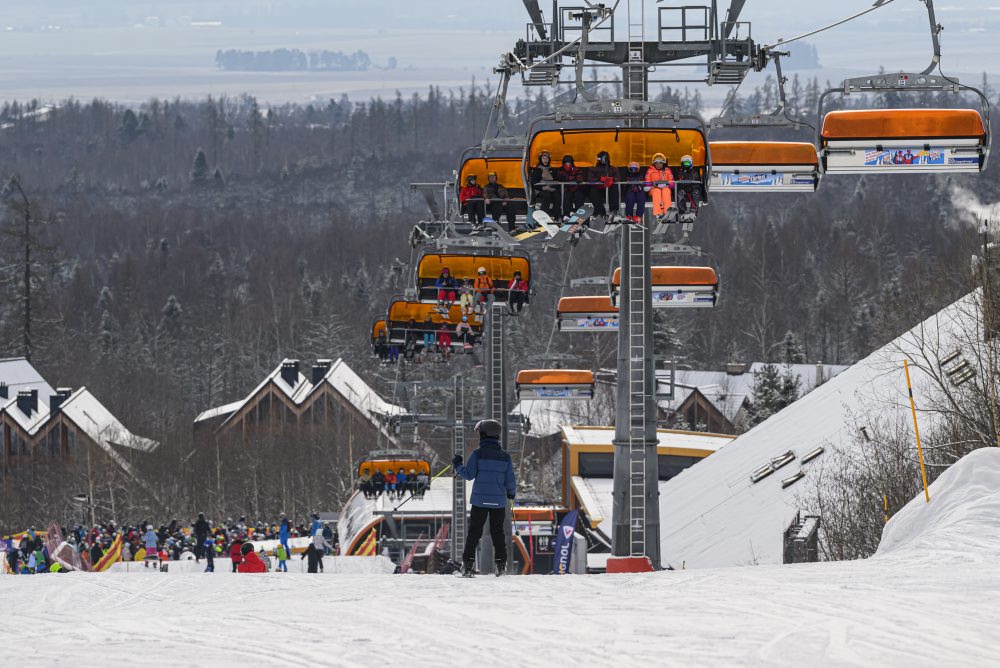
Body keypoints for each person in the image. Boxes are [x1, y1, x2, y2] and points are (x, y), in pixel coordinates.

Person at [453, 419, 517, 577]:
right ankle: (501, 567)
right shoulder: (505, 457)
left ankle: (467, 566)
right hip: (498, 502)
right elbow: (510, 480)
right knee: (498, 533)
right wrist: (511, 494)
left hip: (480, 501)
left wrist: (457, 464)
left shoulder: (477, 454)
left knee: (474, 532)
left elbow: (468, 475)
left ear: (483, 435)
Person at [588, 150, 619, 219]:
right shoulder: (593, 169)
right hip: (598, 189)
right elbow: (590, 179)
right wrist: (600, 179)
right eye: (603, 158)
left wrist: (613, 179)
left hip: (609, 188)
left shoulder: (613, 169)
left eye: (606, 158)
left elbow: (618, 178)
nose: (604, 160)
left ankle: (613, 210)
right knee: (593, 190)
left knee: (614, 187)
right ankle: (600, 212)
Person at [644, 153, 675, 222]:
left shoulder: (667, 171)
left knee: (666, 191)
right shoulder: (650, 171)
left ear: (663, 163)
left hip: (665, 188)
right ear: (654, 163)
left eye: (660, 163)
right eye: (656, 163)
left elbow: (672, 183)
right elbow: (647, 183)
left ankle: (667, 212)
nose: (658, 165)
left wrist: (666, 185)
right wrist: (653, 185)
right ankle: (658, 213)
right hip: (653, 189)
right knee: (657, 191)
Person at [673, 154, 703, 221]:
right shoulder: (679, 172)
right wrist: (682, 187)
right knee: (680, 193)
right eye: (685, 163)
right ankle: (683, 212)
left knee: (696, 192)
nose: (686, 165)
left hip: (691, 191)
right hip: (683, 191)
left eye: (688, 163)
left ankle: (693, 210)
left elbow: (697, 183)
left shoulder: (694, 173)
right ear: (682, 164)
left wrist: (692, 187)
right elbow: (677, 182)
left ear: (691, 164)